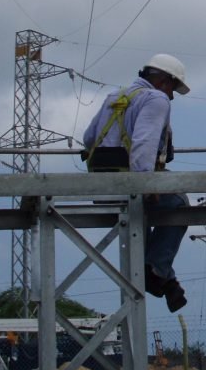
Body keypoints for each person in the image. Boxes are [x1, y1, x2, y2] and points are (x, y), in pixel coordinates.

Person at [82, 53, 191, 313]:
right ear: (164, 81)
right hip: (131, 183)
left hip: (102, 185)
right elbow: (145, 142)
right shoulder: (156, 99)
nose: (172, 95)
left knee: (150, 218)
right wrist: (146, 184)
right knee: (178, 203)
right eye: (173, 88)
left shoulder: (115, 97)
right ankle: (158, 273)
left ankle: (165, 276)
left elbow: (88, 139)